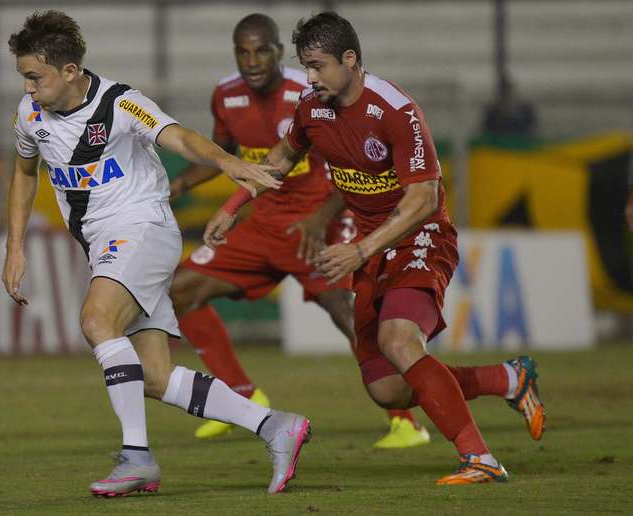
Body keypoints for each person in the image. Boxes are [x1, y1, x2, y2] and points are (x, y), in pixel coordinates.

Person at [205, 12, 545, 485]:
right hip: (371, 246)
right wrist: (233, 206)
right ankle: (506, 379)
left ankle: (480, 458)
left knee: (400, 341)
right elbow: (280, 160)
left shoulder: (395, 111)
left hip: (419, 236)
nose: (311, 77)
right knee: (388, 388)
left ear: (351, 60)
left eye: (319, 66)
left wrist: (362, 249)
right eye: (306, 66)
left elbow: (424, 197)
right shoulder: (312, 107)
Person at [3, 10, 310, 497]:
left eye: (34, 77)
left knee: (96, 321)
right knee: (153, 377)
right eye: (24, 78)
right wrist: (14, 246)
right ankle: (276, 426)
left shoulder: (122, 104)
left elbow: (181, 137)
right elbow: (23, 173)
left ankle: (137, 457)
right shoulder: (29, 116)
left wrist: (230, 163)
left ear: (69, 71)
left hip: (143, 229)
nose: (27, 89)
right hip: (105, 243)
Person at [169, 13, 428, 449]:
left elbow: (355, 167)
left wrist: (322, 218)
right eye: (242, 52)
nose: (251, 61)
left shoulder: (309, 93)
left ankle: (405, 419)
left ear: (277, 51)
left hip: (318, 222)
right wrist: (178, 186)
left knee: (349, 314)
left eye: (261, 50)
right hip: (264, 224)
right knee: (180, 290)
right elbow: (225, 156)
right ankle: (243, 396)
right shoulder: (226, 95)